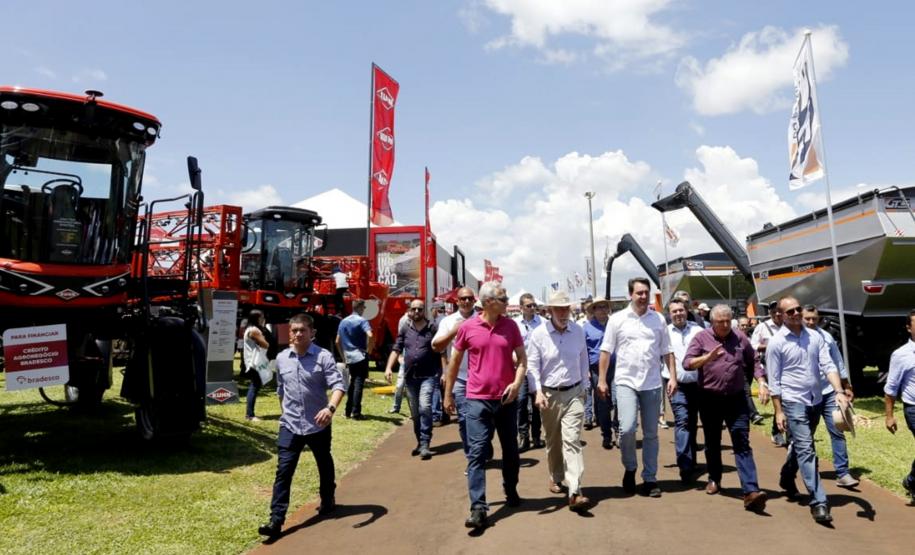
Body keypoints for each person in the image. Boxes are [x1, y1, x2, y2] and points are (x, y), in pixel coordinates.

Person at [444, 281, 527, 529]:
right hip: (477, 400)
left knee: (511, 451)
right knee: (477, 453)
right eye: (503, 298)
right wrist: (448, 395)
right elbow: (454, 362)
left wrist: (516, 383)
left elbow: (522, 359)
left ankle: (510, 487)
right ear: (489, 302)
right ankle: (478, 507)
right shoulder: (468, 328)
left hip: (505, 400)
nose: (507, 301)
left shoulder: (510, 326)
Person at [258, 313, 345, 540]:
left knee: (324, 462)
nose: (297, 334)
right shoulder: (282, 358)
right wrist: (284, 413)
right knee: (284, 472)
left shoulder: (323, 357)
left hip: (318, 423)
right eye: (294, 330)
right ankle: (276, 521)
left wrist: (330, 409)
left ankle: (328, 499)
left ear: (312, 333)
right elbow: (281, 391)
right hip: (290, 424)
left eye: (302, 330)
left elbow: (338, 386)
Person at [767, 296, 850, 523]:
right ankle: (819, 501)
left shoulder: (815, 337)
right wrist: (778, 411)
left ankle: (786, 476)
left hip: (816, 399)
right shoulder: (776, 343)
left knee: (801, 446)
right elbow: (773, 381)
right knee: (806, 448)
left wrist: (839, 391)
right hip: (793, 401)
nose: (795, 313)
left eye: (797, 309)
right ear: (782, 315)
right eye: (790, 311)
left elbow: (828, 365)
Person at [683, 304, 767, 512]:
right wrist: (707, 358)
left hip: (736, 399)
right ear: (712, 321)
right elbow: (687, 363)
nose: (725, 325)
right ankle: (714, 478)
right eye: (720, 321)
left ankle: (751, 490)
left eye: (728, 320)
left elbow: (753, 360)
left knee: (741, 440)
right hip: (709, 398)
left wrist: (762, 381)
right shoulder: (701, 338)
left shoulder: (740, 338)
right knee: (712, 441)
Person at [598, 277, 676, 498]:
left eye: (646, 292)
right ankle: (630, 467)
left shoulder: (658, 319)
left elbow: (667, 350)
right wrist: (602, 380)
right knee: (628, 428)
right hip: (625, 382)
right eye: (639, 293)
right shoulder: (618, 319)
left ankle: (650, 478)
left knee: (651, 433)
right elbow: (606, 351)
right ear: (630, 294)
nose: (643, 297)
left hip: (651, 383)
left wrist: (672, 377)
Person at [528, 291, 592, 512]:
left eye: (566, 308)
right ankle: (556, 476)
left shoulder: (578, 331)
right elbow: (532, 367)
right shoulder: (539, 334)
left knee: (572, 440)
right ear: (549, 311)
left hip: (574, 392)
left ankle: (575, 491)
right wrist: (537, 392)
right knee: (553, 440)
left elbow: (583, 358)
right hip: (548, 394)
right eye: (559, 309)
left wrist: (584, 385)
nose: (563, 313)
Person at [785, 304, 858, 488]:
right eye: (807, 318)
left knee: (838, 429)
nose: (810, 322)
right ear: (801, 317)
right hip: (806, 396)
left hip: (829, 392)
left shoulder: (826, 337)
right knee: (804, 438)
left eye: (814, 319)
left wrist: (845, 385)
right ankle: (789, 472)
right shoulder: (791, 338)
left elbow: (837, 362)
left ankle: (842, 472)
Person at [384, 299, 440, 459]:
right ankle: (419, 441)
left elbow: (440, 350)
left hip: (428, 376)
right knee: (415, 413)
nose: (416, 312)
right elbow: (396, 349)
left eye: (420, 309)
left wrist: (443, 370)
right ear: (409, 311)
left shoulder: (432, 328)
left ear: (424, 311)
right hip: (410, 377)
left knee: (425, 407)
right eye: (414, 309)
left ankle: (425, 443)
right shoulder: (404, 328)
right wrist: (388, 368)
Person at [432, 287, 478, 458]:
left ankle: (482, 447)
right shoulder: (448, 321)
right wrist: (454, 331)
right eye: (463, 299)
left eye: (469, 298)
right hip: (459, 377)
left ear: (474, 301)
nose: (466, 301)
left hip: (480, 378)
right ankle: (472, 456)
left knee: (482, 418)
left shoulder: (482, 319)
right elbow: (437, 347)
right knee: (464, 419)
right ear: (457, 301)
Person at [666, 299, 703, 482]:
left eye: (681, 310)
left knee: (692, 422)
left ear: (687, 311)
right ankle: (685, 465)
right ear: (669, 314)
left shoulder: (698, 330)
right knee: (682, 421)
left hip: (698, 384)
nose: (678, 314)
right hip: (676, 384)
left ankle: (692, 459)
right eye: (674, 311)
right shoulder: (664, 333)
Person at [884, 309, 915, 503]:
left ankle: (912, 481)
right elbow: (891, 389)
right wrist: (889, 416)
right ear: (908, 328)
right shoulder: (900, 355)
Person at [752, 300, 786, 446]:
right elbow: (752, 345)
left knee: (787, 400)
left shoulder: (789, 326)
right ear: (769, 313)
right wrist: (769, 346)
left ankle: (783, 431)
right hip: (769, 369)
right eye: (773, 311)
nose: (777, 314)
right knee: (779, 399)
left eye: (779, 311)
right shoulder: (762, 327)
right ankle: (777, 431)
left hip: (787, 368)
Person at [583, 296, 615, 449]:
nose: (603, 309)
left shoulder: (615, 325)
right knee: (602, 403)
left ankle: (619, 432)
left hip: (616, 368)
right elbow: (583, 351)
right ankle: (606, 434)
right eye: (599, 307)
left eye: (604, 306)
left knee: (617, 401)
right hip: (596, 370)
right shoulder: (587, 328)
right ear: (593, 310)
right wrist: (586, 370)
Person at [514, 293, 544, 452]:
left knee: (537, 402)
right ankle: (523, 437)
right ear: (521, 308)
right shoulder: (515, 324)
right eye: (529, 306)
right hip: (520, 367)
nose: (532, 308)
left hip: (538, 369)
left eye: (534, 305)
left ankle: (537, 436)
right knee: (520, 402)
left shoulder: (543, 323)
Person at [335, 299, 374, 420]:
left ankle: (347, 411)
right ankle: (356, 412)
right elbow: (370, 335)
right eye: (364, 308)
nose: (364, 310)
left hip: (349, 356)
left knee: (352, 383)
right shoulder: (362, 321)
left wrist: (343, 356)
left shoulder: (343, 321)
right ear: (361, 307)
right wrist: (369, 350)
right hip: (360, 355)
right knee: (358, 383)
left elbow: (337, 341)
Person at [243, 309, 276, 422]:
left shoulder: (253, 329)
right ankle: (250, 415)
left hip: (255, 362)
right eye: (261, 317)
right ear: (256, 318)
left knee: (255, 386)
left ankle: (250, 414)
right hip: (254, 363)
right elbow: (265, 344)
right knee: (254, 387)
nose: (263, 318)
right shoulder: (254, 330)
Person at [737, 316, 765, 426]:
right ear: (738, 326)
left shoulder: (750, 338)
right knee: (746, 391)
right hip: (739, 370)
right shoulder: (734, 338)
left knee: (743, 393)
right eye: (742, 325)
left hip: (749, 369)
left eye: (746, 325)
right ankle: (754, 414)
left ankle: (742, 411)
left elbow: (755, 356)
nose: (744, 327)